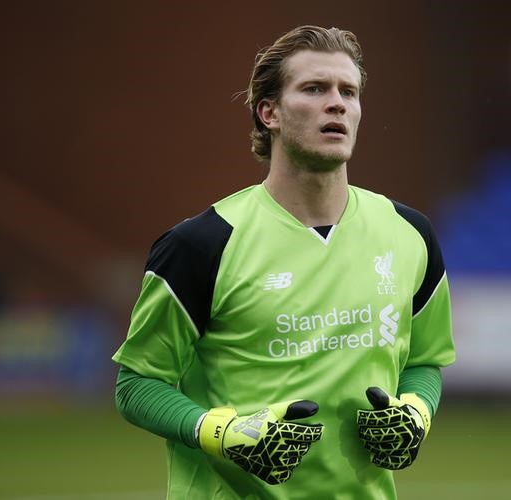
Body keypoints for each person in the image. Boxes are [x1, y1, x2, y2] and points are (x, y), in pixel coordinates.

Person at [113, 25, 455, 499]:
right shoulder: (201, 245)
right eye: (314, 89)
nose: (336, 103)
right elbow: (136, 387)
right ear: (269, 112)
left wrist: (417, 409)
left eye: (348, 92)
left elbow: (425, 361)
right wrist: (221, 432)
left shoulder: (410, 234)